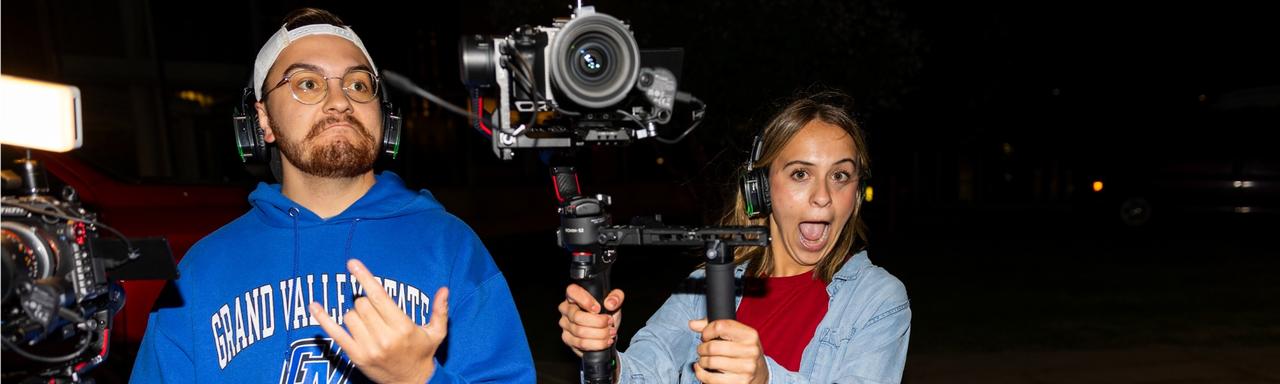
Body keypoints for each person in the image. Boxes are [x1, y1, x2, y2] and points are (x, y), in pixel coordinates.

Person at [131, 8, 534, 383]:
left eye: (358, 84)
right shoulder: (203, 270)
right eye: (308, 83)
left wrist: (418, 377)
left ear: (385, 116)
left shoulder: (450, 246)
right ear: (263, 121)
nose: (340, 101)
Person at [558, 91, 910, 383]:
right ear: (760, 188)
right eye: (801, 173)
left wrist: (765, 378)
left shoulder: (877, 299)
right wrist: (603, 355)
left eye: (841, 175)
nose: (823, 196)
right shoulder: (703, 284)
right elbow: (646, 370)